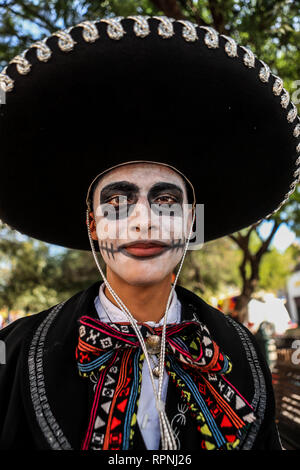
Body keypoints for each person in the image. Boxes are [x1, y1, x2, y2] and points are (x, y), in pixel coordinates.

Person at [0, 14, 299, 451]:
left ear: (191, 224)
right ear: (93, 225)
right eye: (118, 203)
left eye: (165, 202)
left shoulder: (242, 351)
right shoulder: (19, 351)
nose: (144, 221)